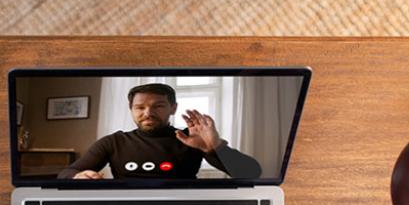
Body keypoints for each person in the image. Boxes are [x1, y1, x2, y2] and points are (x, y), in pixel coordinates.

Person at [58, 83, 262, 181]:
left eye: (158, 106)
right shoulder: (113, 142)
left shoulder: (191, 138)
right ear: (131, 109)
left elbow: (252, 173)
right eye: (140, 107)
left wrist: (213, 147)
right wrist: (79, 177)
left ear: (173, 108)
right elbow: (65, 174)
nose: (148, 113)